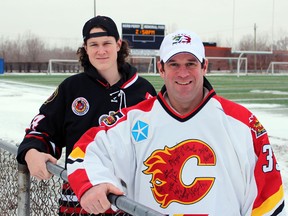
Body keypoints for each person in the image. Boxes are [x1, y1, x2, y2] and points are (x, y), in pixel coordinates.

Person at [67, 29, 286, 215]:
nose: (183, 73)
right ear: (161, 69)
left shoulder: (241, 123)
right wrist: (91, 184)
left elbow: (268, 195)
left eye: (191, 63)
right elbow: (86, 151)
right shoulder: (134, 120)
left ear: (204, 67)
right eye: (173, 64)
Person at [16, 15, 157, 216]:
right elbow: (42, 129)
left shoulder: (143, 91)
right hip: (80, 199)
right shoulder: (72, 88)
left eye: (107, 43)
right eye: (94, 44)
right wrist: (31, 152)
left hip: (129, 201)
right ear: (86, 48)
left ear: (118, 44)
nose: (101, 50)